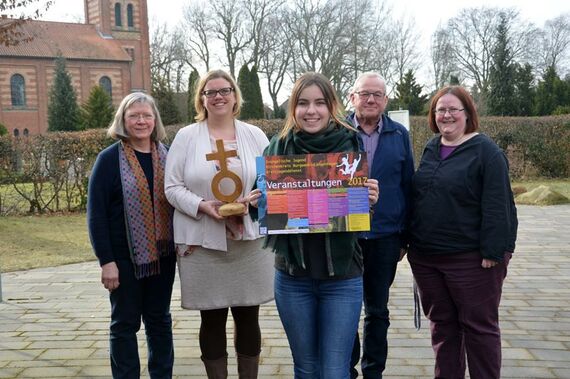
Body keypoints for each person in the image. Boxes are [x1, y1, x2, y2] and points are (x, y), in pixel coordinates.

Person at [256, 72, 379, 378]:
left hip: (342, 278)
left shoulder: (349, 144)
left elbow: (356, 218)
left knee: (335, 370)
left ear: (331, 106)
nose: (311, 111)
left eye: (319, 103)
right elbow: (263, 215)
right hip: (293, 278)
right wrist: (255, 203)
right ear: (293, 108)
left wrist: (369, 201)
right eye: (303, 103)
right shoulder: (276, 149)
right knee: (306, 368)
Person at [164, 69, 274, 379]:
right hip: (203, 242)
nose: (218, 96)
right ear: (201, 99)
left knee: (249, 317)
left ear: (236, 96)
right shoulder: (186, 137)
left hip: (248, 242)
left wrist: (254, 199)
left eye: (224, 90)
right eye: (210, 92)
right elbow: (172, 188)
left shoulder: (255, 135)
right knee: (211, 320)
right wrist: (202, 206)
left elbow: (269, 181)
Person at [408, 85, 518, 379]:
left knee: (479, 330)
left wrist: (493, 252)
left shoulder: (487, 153)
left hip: (470, 260)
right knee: (443, 327)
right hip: (427, 259)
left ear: (467, 114)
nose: (446, 115)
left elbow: (499, 206)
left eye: (453, 109)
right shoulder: (432, 147)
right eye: (440, 110)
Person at [87, 92, 176, 379]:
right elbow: (96, 214)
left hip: (163, 255)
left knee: (159, 321)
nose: (141, 121)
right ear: (123, 121)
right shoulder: (109, 159)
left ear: (155, 120)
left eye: (146, 115)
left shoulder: (168, 155)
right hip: (123, 259)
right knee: (124, 324)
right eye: (134, 116)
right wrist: (106, 261)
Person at [347, 72, 414, 379]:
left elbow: (407, 185)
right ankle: (345, 368)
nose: (371, 99)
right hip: (344, 234)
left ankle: (373, 371)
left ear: (386, 100)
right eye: (364, 94)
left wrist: (406, 237)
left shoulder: (399, 134)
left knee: (377, 309)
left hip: (385, 235)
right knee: (345, 307)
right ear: (352, 98)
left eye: (377, 94)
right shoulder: (338, 132)